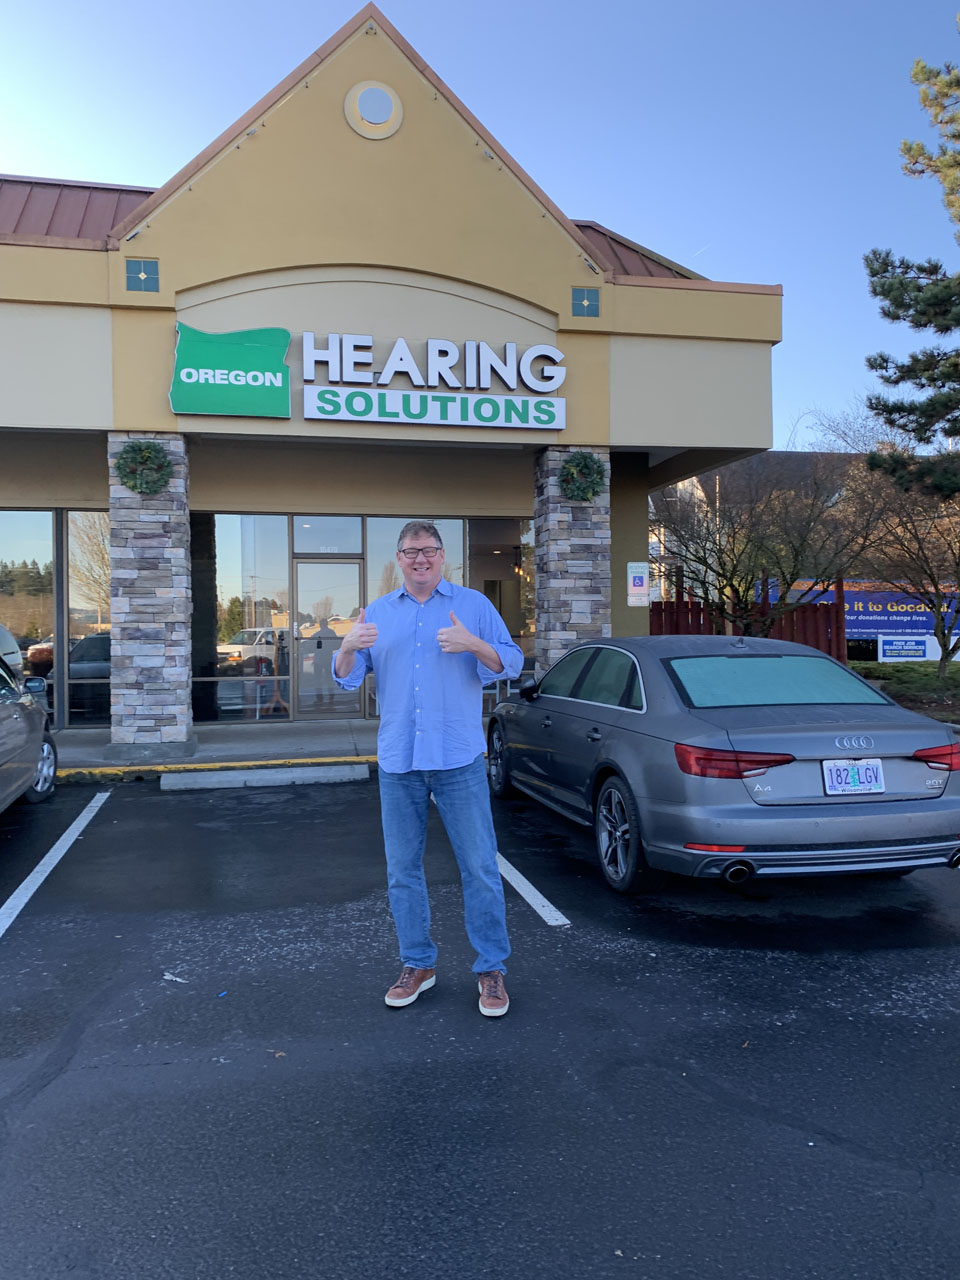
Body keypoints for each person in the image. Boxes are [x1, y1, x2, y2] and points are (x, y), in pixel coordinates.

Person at [333, 520, 524, 1017]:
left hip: (458, 759)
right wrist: (347, 647)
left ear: (443, 557)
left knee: (480, 868)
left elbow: (512, 662)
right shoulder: (377, 613)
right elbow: (348, 680)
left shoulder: (474, 607)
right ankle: (418, 964)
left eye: (429, 550)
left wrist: (474, 644)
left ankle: (490, 969)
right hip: (400, 761)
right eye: (411, 551)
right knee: (402, 871)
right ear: (399, 558)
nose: (421, 558)